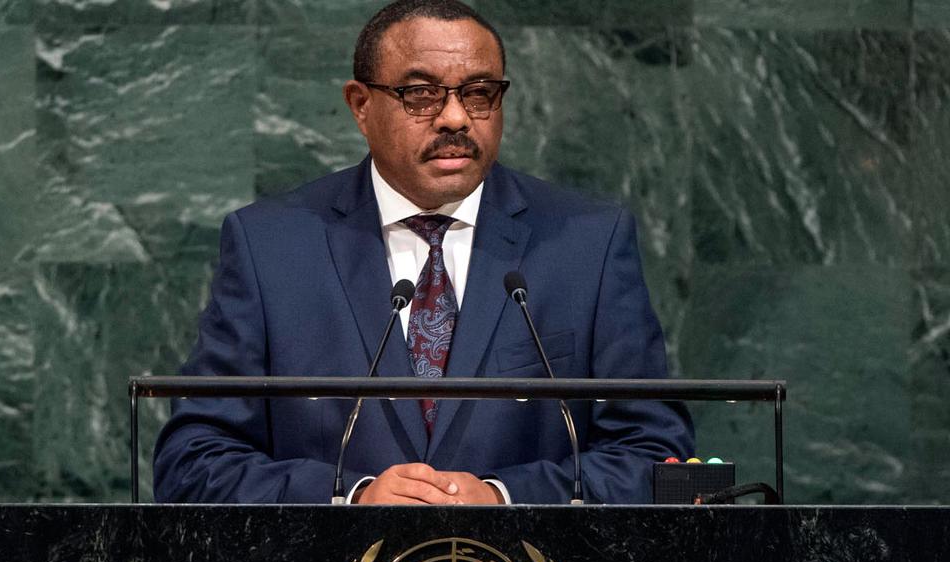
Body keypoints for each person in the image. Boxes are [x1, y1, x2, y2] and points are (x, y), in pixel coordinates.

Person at [153, 0, 694, 505]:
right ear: (360, 105)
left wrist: (505, 498)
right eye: (421, 94)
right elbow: (194, 459)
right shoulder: (272, 246)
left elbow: (655, 454)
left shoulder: (587, 244)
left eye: (479, 92)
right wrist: (350, 498)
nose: (455, 118)